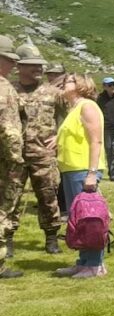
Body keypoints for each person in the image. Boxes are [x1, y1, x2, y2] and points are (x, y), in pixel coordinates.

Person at [10, 43, 64, 256]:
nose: (39, 69)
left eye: (40, 65)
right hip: (13, 157)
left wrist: (60, 136)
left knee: (48, 197)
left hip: (43, 156)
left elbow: (73, 116)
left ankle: (51, 238)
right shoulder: (9, 91)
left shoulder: (53, 93)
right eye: (33, 65)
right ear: (19, 67)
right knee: (9, 198)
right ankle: (8, 240)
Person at [54, 73, 107, 278]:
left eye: (67, 81)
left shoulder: (87, 106)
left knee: (89, 217)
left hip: (83, 169)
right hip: (71, 169)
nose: (61, 84)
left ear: (80, 86)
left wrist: (92, 173)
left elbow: (96, 141)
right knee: (79, 217)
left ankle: (94, 264)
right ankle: (84, 261)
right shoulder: (74, 108)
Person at [0, 35, 25, 279]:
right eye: (10, 60)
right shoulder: (4, 88)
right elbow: (9, 130)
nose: (14, 66)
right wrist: (16, 160)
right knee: (3, 210)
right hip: (3, 163)